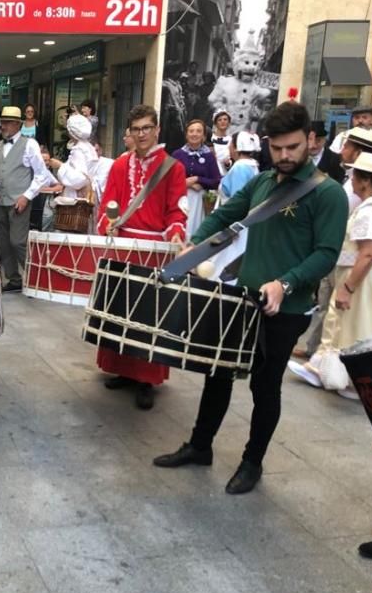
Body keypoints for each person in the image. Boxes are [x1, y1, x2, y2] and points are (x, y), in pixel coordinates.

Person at [153, 101, 349, 495]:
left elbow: (326, 254)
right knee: (217, 373)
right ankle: (200, 445)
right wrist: (194, 243)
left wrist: (286, 283)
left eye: (292, 147)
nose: (284, 156)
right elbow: (225, 215)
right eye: (276, 148)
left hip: (286, 307)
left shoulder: (327, 194)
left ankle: (251, 462)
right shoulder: (262, 183)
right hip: (242, 297)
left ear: (309, 141)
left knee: (265, 387)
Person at [290, 153, 372, 401]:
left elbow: (368, 253)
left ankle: (355, 380)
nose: (351, 181)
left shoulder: (371, 210)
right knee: (371, 325)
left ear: (366, 181)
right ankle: (334, 371)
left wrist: (348, 287)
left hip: (369, 281)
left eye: (355, 176)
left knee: (359, 327)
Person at [94, 105, 187, 410]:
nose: (142, 133)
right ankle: (123, 369)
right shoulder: (120, 166)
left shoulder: (173, 167)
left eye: (147, 127)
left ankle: (146, 378)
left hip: (154, 250)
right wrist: (108, 221)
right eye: (136, 129)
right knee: (121, 310)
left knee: (149, 315)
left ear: (157, 130)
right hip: (122, 246)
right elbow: (110, 201)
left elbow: (176, 209)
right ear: (130, 133)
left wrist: (175, 231)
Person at [0, 105, 57, 292]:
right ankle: (14, 279)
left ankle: (38, 276)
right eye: (2, 123)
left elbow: (41, 174)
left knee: (18, 241)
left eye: (8, 123)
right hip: (0, 202)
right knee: (3, 242)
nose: (4, 127)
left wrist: (26, 196)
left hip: (19, 202)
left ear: (18, 124)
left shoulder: (30, 144)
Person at [209, 131, 261, 281]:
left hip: (235, 227)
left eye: (231, 144)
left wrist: (232, 227)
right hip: (245, 225)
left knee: (225, 265)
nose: (229, 147)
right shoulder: (252, 167)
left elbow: (238, 203)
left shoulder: (240, 169)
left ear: (237, 147)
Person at [172, 119, 222, 237]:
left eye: (198, 131)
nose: (194, 134)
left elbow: (216, 181)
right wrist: (185, 183)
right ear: (186, 134)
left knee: (193, 230)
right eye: (191, 131)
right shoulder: (177, 154)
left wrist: (197, 179)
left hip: (198, 202)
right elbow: (168, 179)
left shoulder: (209, 156)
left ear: (204, 136)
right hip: (179, 198)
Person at [46, 113, 98, 209]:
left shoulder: (79, 150)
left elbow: (79, 179)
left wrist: (60, 166)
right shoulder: (88, 147)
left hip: (76, 203)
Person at [338, 126, 372, 212]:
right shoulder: (351, 179)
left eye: (345, 147)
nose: (341, 151)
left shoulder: (361, 186)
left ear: (358, 153)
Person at [210, 110, 233, 175]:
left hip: (226, 175)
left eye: (225, 119)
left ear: (229, 122)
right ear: (215, 123)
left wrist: (228, 164)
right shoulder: (209, 139)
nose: (223, 121)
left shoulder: (232, 141)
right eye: (219, 120)